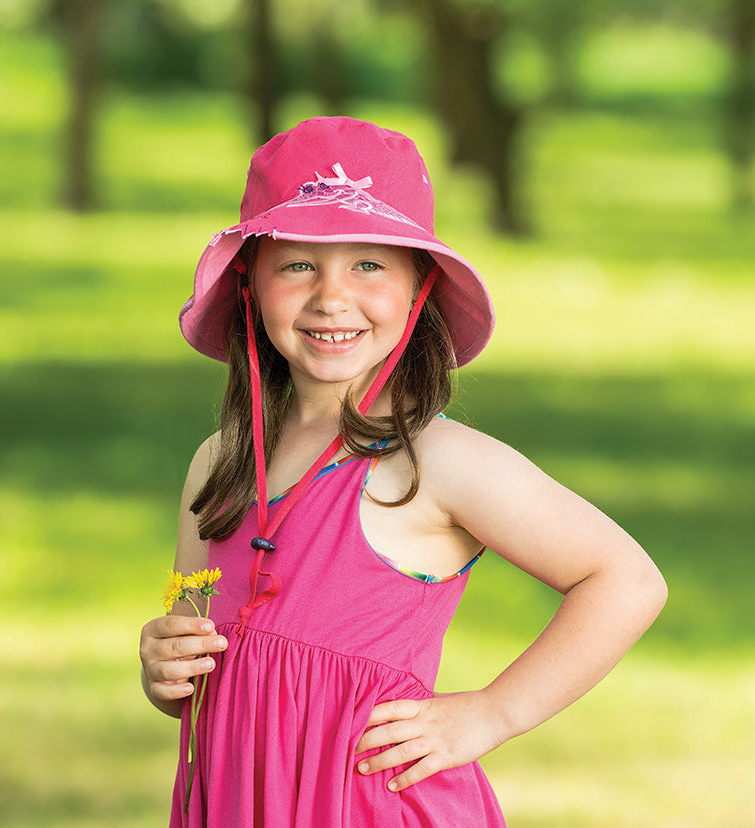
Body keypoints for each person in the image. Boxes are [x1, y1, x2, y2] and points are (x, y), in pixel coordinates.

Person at [139, 116, 667, 827]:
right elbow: (190, 657)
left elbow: (626, 580)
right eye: (298, 264)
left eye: (369, 265)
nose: (332, 297)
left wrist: (492, 713)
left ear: (419, 289)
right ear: (249, 283)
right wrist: (164, 669)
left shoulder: (435, 461)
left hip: (368, 805)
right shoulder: (221, 462)